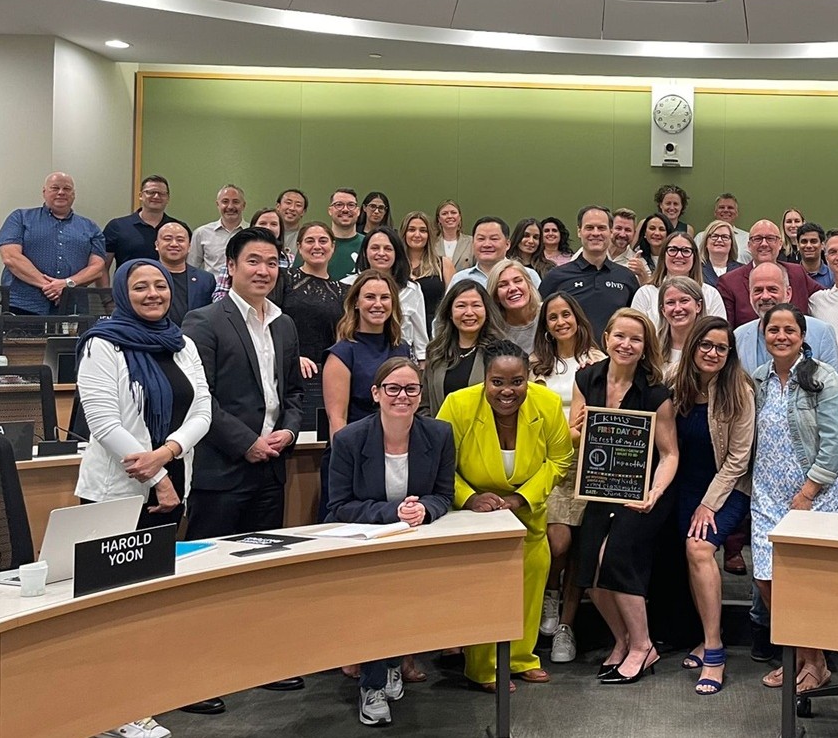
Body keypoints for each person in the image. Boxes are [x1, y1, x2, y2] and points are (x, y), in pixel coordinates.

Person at [181, 227, 305, 711]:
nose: (263, 271)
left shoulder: (285, 324)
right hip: (222, 470)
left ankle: (259, 663)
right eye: (253, 261)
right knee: (208, 575)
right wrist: (245, 442)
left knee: (260, 572)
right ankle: (194, 679)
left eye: (272, 262)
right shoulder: (204, 320)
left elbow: (293, 393)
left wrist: (289, 433)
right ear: (230, 266)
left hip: (272, 467)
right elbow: (198, 396)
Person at [438, 340, 576, 693]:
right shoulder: (458, 404)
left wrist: (521, 498)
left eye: (517, 381)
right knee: (485, 587)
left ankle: (521, 659)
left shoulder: (545, 405)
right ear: (485, 379)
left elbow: (560, 460)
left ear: (529, 379)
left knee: (531, 583)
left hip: (527, 512)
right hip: (474, 515)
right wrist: (469, 499)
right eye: (497, 382)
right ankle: (482, 668)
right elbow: (437, 464)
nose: (507, 391)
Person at [326, 358, 457, 727]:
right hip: (362, 542)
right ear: (376, 394)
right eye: (393, 389)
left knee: (406, 598)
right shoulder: (350, 439)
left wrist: (424, 510)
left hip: (414, 541)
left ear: (420, 395)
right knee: (376, 599)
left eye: (411, 389)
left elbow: (443, 495)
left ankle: (391, 663)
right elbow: (338, 506)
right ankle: (372, 683)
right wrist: (395, 512)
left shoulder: (440, 434)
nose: (402, 396)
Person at [572, 309, 681, 685]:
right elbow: (574, 435)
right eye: (620, 336)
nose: (626, 344)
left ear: (645, 346)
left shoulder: (655, 392)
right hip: (601, 487)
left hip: (644, 491)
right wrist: (579, 429)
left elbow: (670, 454)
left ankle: (643, 646)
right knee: (588, 565)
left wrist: (654, 492)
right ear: (607, 338)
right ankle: (621, 640)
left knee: (613, 556)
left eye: (635, 339)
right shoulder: (587, 377)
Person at [749, 304, 838, 694]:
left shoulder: (822, 379)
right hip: (768, 493)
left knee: (806, 580)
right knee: (766, 577)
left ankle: (813, 662)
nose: (781, 336)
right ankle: (803, 658)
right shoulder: (759, 379)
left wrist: (808, 493)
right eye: (773, 330)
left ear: (803, 336)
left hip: (815, 494)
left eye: (789, 330)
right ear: (764, 335)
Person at [76, 258, 210, 528]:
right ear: (123, 295)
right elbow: (104, 426)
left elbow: (202, 410)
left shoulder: (183, 344)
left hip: (176, 478)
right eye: (140, 287)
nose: (153, 294)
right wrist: (158, 477)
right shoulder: (101, 344)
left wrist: (167, 454)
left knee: (164, 568)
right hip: (116, 491)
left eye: (161, 285)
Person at [671, 317, 755, 695]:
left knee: (699, 548)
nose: (713, 353)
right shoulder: (676, 381)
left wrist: (708, 504)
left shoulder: (739, 389)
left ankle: (715, 649)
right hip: (684, 485)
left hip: (729, 487)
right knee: (691, 556)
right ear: (693, 347)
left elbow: (738, 460)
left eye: (722, 348)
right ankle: (705, 637)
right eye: (706, 344)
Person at [530, 292, 605, 664]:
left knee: (580, 549)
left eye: (566, 315)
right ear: (545, 325)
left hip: (589, 464)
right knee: (557, 543)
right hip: (549, 462)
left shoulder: (599, 362)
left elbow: (596, 418)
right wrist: (565, 429)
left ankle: (567, 627)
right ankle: (550, 593)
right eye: (552, 317)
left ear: (577, 317)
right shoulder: (535, 367)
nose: (561, 322)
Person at [0, 172, 106, 315]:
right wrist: (51, 287)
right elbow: (11, 257)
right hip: (23, 304)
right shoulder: (20, 218)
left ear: (74, 194)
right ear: (44, 192)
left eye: (67, 189)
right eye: (55, 188)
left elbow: (97, 268)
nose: (61, 192)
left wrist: (67, 284)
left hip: (72, 308)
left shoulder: (91, 227)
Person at [324, 270, 412, 439]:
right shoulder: (341, 353)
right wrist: (346, 461)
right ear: (356, 302)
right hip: (356, 447)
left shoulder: (402, 349)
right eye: (370, 297)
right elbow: (337, 419)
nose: (378, 304)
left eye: (385, 297)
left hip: (397, 445)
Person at [540, 205, 640, 334]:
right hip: (569, 354)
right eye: (589, 227)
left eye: (602, 228)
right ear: (579, 231)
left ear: (610, 232)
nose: (596, 233)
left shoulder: (627, 277)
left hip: (613, 353)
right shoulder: (556, 276)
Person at [733, 263, 838, 374]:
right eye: (758, 290)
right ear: (750, 295)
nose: (765, 296)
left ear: (788, 293)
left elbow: (834, 386)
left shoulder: (821, 333)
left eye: (772, 289)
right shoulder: (738, 337)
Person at [422, 280, 507, 415]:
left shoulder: (502, 352)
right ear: (449, 312)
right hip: (442, 432)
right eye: (461, 306)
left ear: (487, 311)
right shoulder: (435, 351)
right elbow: (424, 404)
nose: (469, 312)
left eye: (476, 305)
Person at [717, 220, 824, 327]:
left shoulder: (797, 273)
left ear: (780, 244)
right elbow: (726, 330)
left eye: (770, 238)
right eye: (757, 239)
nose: (764, 244)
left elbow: (825, 298)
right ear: (749, 245)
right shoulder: (729, 282)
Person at [343, 228, 429, 360]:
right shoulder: (346, 286)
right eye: (375, 248)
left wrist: (422, 364)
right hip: (357, 359)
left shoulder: (411, 289)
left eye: (388, 249)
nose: (381, 253)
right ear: (365, 252)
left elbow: (420, 338)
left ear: (397, 254)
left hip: (400, 361)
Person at [282, 222, 345, 383]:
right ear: (299, 247)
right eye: (310, 241)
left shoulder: (344, 291)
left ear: (333, 246)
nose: (317, 246)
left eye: (323, 241)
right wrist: (293, 357)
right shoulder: (283, 279)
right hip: (286, 369)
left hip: (326, 375)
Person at [630, 231, 727, 330]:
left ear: (694, 257)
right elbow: (635, 333)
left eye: (686, 251)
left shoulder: (711, 294)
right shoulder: (645, 293)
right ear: (663, 256)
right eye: (673, 250)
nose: (679, 255)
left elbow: (719, 334)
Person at [211, 207, 291, 304]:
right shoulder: (237, 254)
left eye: (274, 224)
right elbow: (221, 293)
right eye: (253, 261)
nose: (268, 228)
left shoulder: (290, 260)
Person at [104, 175, 181, 271]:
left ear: (168, 198)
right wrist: (106, 286)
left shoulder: (180, 229)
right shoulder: (117, 226)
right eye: (150, 192)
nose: (156, 196)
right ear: (140, 195)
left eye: (162, 193)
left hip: (169, 285)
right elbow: (103, 266)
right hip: (128, 285)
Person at [451, 216, 542, 289]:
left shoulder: (528, 275)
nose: (487, 244)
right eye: (481, 239)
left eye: (494, 239)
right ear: (473, 244)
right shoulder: (459, 279)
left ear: (507, 244)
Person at [154, 220, 215, 325]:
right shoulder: (144, 275)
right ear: (157, 244)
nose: (174, 244)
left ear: (189, 246)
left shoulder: (205, 279)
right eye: (167, 239)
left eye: (180, 240)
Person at [400, 211, 451, 327]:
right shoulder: (395, 266)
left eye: (423, 230)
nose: (417, 235)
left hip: (436, 330)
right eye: (411, 230)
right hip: (402, 330)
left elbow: (452, 302)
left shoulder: (443, 264)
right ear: (404, 233)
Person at [188, 185, 247, 272]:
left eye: (236, 202)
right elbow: (191, 268)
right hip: (212, 285)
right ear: (218, 205)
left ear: (243, 205)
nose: (230, 207)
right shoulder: (201, 233)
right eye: (225, 201)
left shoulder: (253, 233)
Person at [490, 258, 542, 353]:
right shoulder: (493, 330)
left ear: (529, 285)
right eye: (503, 285)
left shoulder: (548, 313)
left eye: (518, 281)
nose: (513, 288)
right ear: (495, 296)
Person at [657, 277, 707, 372]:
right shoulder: (652, 349)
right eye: (670, 303)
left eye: (684, 301)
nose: (678, 309)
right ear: (663, 310)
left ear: (698, 306)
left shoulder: (710, 350)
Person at [694, 193, 751, 265]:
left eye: (730, 208)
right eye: (721, 207)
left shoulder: (747, 238)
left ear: (736, 213)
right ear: (715, 212)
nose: (726, 210)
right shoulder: (701, 237)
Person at [326, 189, 364, 280]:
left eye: (351, 205)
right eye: (339, 205)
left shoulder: (369, 244)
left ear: (358, 211)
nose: (345, 210)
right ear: (330, 210)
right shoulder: (316, 245)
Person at [626, 212, 671, 283]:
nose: (656, 233)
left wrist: (643, 273)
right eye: (652, 228)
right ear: (645, 233)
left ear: (668, 234)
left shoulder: (674, 258)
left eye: (661, 229)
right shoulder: (637, 257)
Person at [699, 219, 743, 287]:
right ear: (706, 243)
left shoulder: (742, 270)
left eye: (725, 237)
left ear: (731, 243)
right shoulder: (696, 269)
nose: (719, 240)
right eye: (714, 236)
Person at [436, 199, 475, 273]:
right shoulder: (431, 243)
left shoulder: (471, 242)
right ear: (439, 219)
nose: (449, 216)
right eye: (444, 213)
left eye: (453, 213)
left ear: (459, 217)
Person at [794, 222, 833, 289]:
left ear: (822, 245)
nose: (808, 245)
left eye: (813, 241)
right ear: (798, 245)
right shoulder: (791, 276)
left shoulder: (833, 276)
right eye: (804, 241)